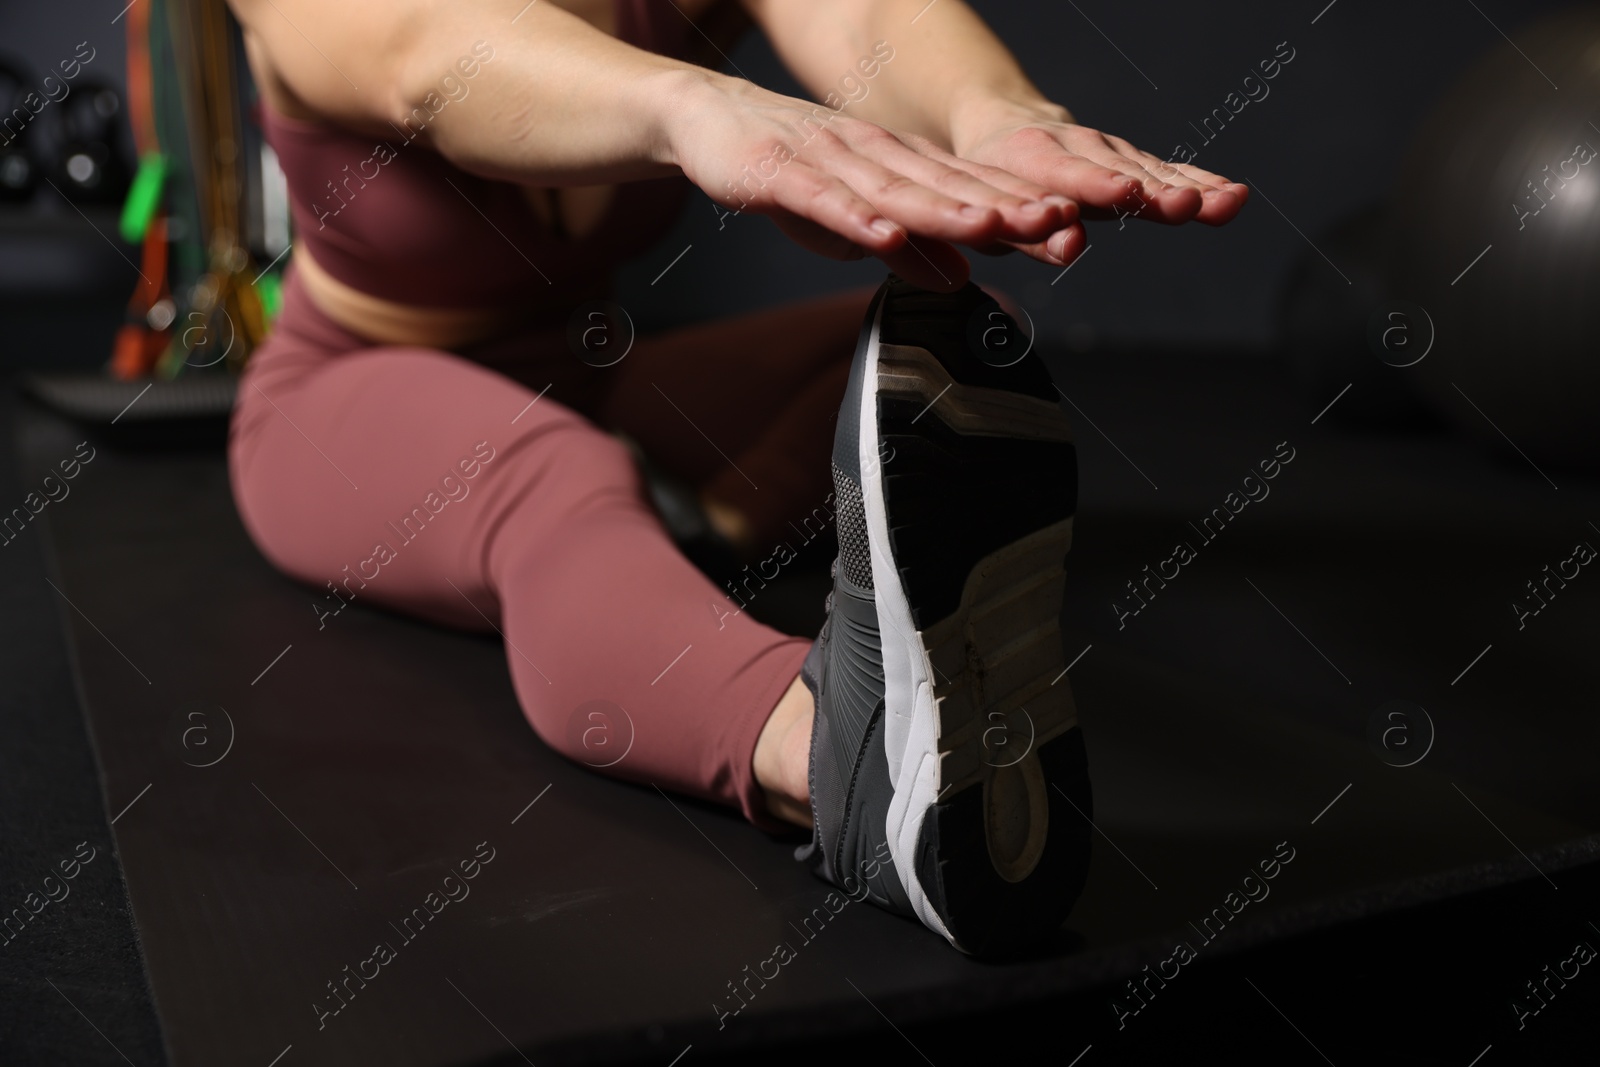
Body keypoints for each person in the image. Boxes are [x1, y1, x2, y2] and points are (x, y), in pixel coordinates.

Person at [224, 0, 1246, 954]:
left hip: (586, 376)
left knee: (954, 344)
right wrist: (689, 102)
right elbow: (429, 60)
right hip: (344, 395)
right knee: (547, 471)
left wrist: (994, 115)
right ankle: (835, 763)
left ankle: (679, 532)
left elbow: (866, 18)